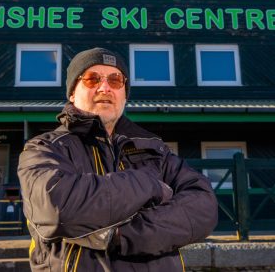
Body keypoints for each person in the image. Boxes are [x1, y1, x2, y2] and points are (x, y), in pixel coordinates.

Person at [18, 47, 218, 271]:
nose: (105, 87)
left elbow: (203, 207)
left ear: (124, 94)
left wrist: (119, 235)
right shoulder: (44, 148)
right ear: (72, 93)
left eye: (115, 80)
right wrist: (148, 185)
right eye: (92, 79)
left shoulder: (155, 150)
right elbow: (58, 208)